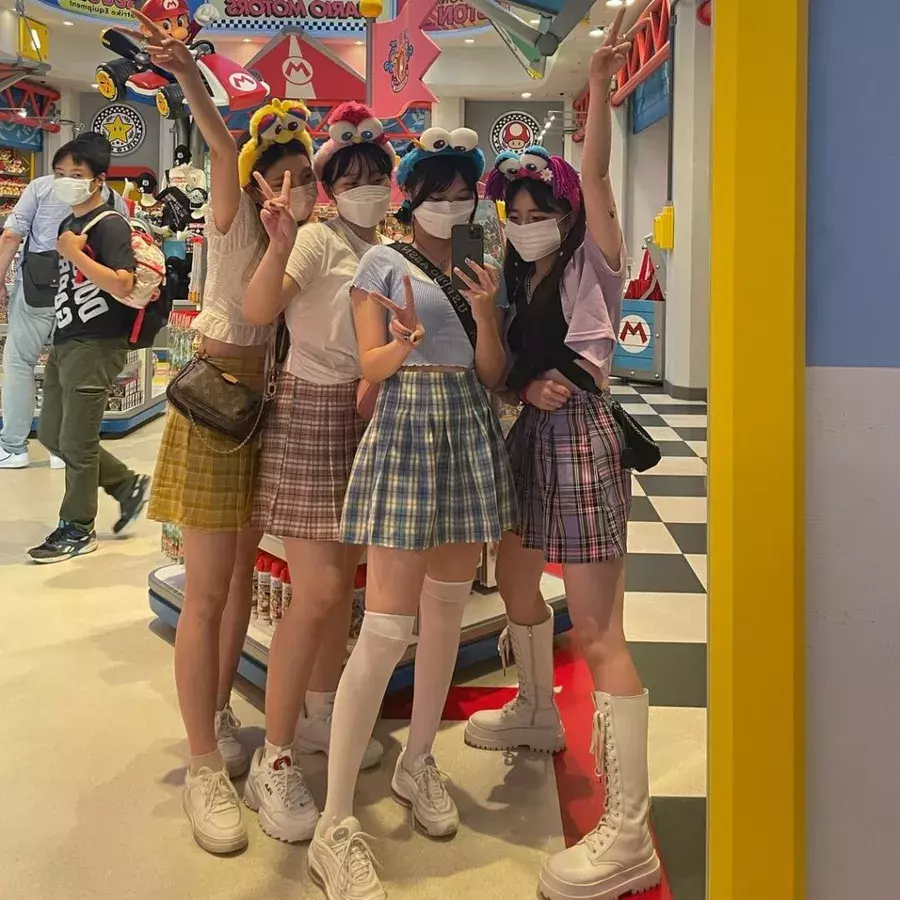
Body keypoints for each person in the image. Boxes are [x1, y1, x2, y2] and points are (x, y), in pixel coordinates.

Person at [462, 17, 659, 900]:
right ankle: (539, 710)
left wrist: (603, 89)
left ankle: (629, 833)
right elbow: (504, 368)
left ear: (569, 216)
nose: (529, 224)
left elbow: (601, 175)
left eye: (542, 213)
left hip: (581, 436)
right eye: (518, 214)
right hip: (528, 437)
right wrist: (509, 371)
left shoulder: (592, 260)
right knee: (513, 575)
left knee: (601, 628)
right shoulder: (515, 275)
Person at [307, 126, 516, 899]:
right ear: (413, 198)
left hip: (467, 425)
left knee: (446, 610)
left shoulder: (482, 265)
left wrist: (486, 314)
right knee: (387, 626)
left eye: (465, 195)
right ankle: (334, 823)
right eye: (440, 194)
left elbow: (490, 373)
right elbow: (370, 363)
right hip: (406, 425)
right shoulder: (381, 262)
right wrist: (403, 343)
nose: (452, 206)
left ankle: (417, 759)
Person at [136, 10, 319, 855]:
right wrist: (187, 75)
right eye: (280, 177)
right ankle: (204, 763)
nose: (293, 190)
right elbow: (218, 143)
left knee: (242, 582)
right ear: (255, 183)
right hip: (216, 409)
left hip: (269, 415)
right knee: (207, 592)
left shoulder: (309, 241)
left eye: (304, 178)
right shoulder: (237, 217)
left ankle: (217, 716)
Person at [239, 101, 397, 842]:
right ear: (332, 188)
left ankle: (322, 713)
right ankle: (272, 759)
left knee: (344, 591)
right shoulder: (315, 239)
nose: (367, 189)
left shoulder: (388, 249)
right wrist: (277, 244)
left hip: (366, 416)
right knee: (320, 591)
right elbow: (259, 307)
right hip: (309, 412)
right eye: (351, 179)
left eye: (377, 177)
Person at [25, 134, 150, 563]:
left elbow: (123, 283)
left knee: (77, 442)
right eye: (59, 173)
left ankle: (77, 528)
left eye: (76, 174)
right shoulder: (69, 224)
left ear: (98, 180)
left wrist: (75, 255)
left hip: (97, 343)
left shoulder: (109, 224)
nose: (66, 181)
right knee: (52, 433)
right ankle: (125, 484)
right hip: (66, 339)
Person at [0, 137, 128, 470]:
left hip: (37, 288)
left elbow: (11, 235)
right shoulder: (113, 199)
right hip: (86, 297)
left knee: (19, 363)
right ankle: (61, 449)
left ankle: (13, 447)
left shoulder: (41, 187)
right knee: (70, 370)